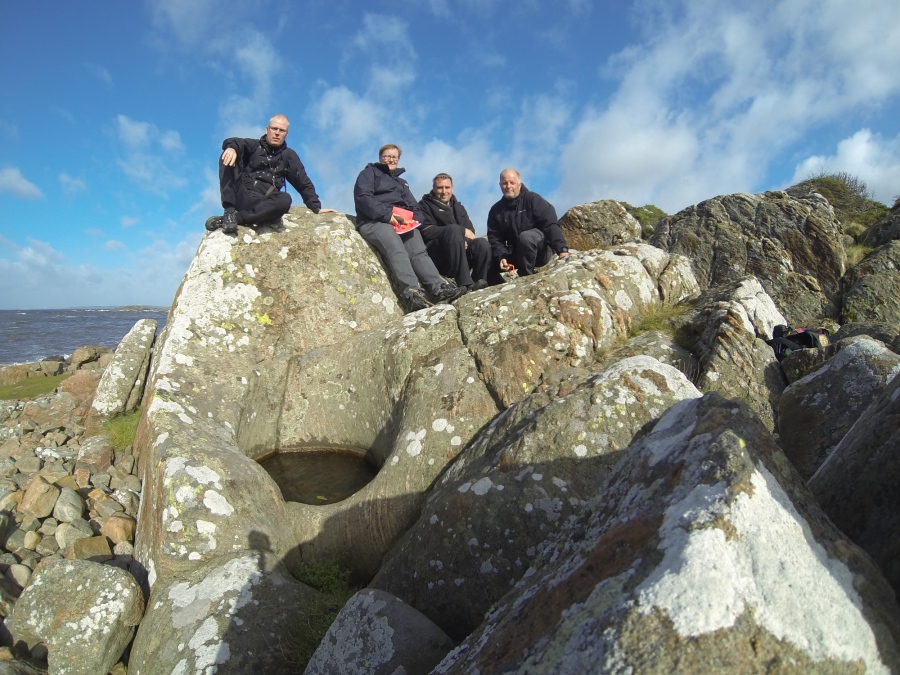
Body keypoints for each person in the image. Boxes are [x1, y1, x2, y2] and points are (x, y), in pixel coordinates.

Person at [354, 144, 466, 312]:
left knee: (418, 251)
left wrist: (414, 220)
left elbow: (414, 207)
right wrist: (387, 215)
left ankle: (438, 287)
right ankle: (412, 294)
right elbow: (363, 198)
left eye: (394, 157)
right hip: (375, 220)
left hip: (401, 223)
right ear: (380, 157)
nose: (391, 159)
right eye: (387, 156)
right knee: (397, 249)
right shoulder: (369, 174)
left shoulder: (402, 183)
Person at [206, 114, 335, 234]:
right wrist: (231, 148)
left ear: (286, 134)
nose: (277, 133)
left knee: (285, 199)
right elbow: (233, 141)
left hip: (263, 203)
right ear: (267, 130)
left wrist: (316, 207)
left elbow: (302, 181)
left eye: (282, 130)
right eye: (274, 129)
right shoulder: (254, 146)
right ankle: (229, 211)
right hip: (241, 194)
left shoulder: (289, 155)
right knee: (227, 156)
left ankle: (235, 219)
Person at [486, 168, 569, 277]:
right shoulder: (496, 210)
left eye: (512, 183)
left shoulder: (532, 199)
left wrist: (562, 249)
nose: (508, 186)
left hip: (541, 251)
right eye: (505, 183)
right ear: (500, 185)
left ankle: (527, 276)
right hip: (517, 253)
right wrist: (501, 257)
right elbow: (495, 238)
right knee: (485, 253)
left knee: (525, 237)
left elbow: (550, 224)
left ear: (519, 185)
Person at [418, 173, 491, 291]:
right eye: (440, 188)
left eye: (447, 187)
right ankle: (465, 284)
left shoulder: (458, 207)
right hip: (439, 256)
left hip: (460, 254)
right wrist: (459, 233)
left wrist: (461, 238)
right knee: (454, 230)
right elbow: (426, 231)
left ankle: (479, 283)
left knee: (482, 244)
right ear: (434, 188)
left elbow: (471, 232)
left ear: (452, 188)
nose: (444, 191)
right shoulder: (423, 206)